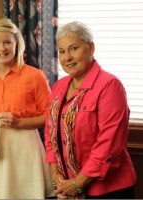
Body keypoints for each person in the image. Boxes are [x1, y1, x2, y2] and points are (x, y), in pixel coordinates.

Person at [44, 21, 137, 199]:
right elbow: (50, 133)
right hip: (66, 187)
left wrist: (78, 183)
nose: (67, 57)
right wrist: (57, 178)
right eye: (62, 51)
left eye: (73, 49)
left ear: (91, 48)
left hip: (107, 190)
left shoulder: (109, 85)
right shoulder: (59, 86)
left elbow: (109, 143)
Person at [0, 18, 54, 199]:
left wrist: (19, 122)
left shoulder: (35, 76)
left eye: (7, 42)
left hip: (26, 149)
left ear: (17, 44)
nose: (2, 48)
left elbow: (51, 117)